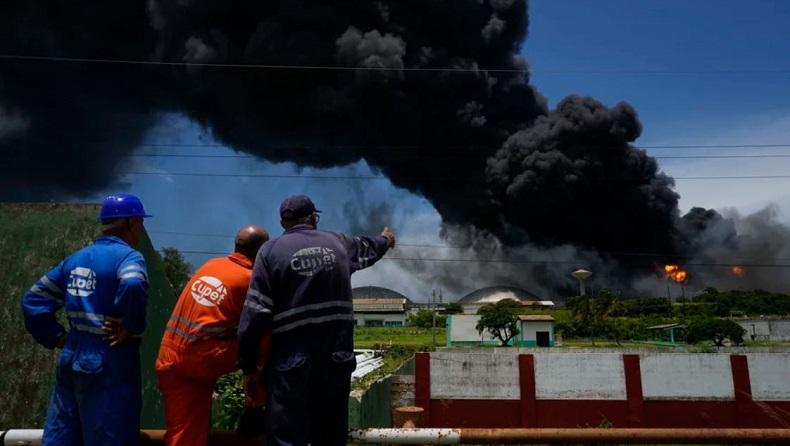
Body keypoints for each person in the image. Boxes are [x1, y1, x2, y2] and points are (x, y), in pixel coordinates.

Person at [238, 195, 395, 446]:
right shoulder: (339, 242)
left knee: (287, 438)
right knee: (330, 436)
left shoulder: (269, 252)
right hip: (336, 360)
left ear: (283, 223)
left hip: (291, 365)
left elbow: (255, 316)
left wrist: (249, 368)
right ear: (313, 217)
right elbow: (371, 247)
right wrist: (386, 239)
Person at [21, 193, 152, 446]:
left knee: (62, 435)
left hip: (72, 353)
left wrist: (57, 337)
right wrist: (130, 325)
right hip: (109, 355)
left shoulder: (77, 258)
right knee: (110, 435)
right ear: (133, 222)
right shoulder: (128, 257)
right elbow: (133, 283)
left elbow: (33, 299)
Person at [155, 225, 270, 446]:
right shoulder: (250, 280)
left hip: (169, 356)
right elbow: (256, 329)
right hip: (201, 359)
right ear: (262, 251)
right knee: (267, 338)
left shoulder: (211, 264)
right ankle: (255, 408)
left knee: (183, 435)